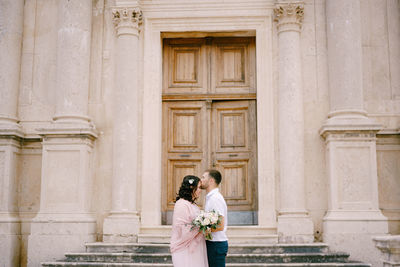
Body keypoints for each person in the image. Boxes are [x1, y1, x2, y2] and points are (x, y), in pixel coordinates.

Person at [170, 175, 208, 267]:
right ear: (191, 187)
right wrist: (201, 225)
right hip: (185, 248)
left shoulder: (193, 205)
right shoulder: (182, 204)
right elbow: (182, 228)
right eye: (198, 187)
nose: (200, 190)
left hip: (196, 246)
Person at [201, 169, 228, 267]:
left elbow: (220, 225)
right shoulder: (210, 197)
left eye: (203, 177)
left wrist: (201, 230)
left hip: (216, 244)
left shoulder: (215, 198)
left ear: (211, 181)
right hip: (212, 243)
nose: (201, 180)